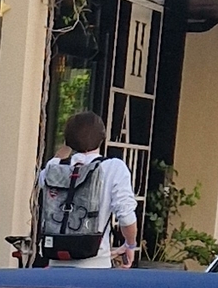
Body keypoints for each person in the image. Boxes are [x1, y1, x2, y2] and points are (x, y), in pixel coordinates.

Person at [31, 111, 139, 267]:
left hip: (55, 260)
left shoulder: (52, 169)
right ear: (102, 138)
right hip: (94, 263)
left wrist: (69, 143)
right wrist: (130, 245)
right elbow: (127, 217)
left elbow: (58, 159)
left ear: (67, 139)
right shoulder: (113, 167)